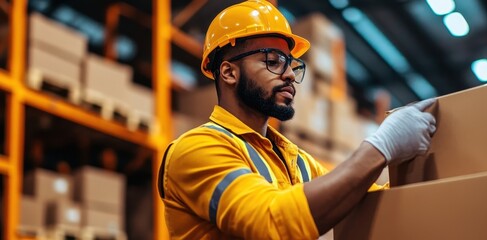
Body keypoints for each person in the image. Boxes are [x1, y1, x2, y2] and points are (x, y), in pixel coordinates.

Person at [157, 0, 436, 239]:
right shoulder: (196, 149)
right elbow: (271, 224)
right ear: (229, 73)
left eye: (291, 63)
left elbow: (364, 199)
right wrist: (382, 146)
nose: (290, 74)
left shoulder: (295, 159)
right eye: (273, 60)